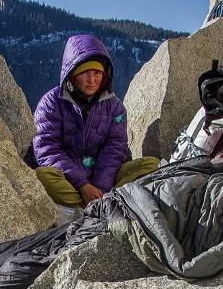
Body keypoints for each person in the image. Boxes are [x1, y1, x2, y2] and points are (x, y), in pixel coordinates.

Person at [32, 34, 158, 224]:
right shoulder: (51, 103)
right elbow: (47, 150)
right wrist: (83, 185)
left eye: (97, 73)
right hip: (69, 182)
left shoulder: (114, 106)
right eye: (85, 73)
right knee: (42, 176)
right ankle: (96, 211)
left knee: (151, 165)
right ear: (72, 74)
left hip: (103, 182)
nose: (91, 80)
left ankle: (96, 207)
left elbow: (115, 149)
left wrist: (100, 188)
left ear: (105, 75)